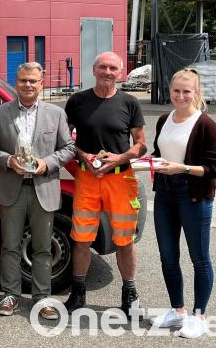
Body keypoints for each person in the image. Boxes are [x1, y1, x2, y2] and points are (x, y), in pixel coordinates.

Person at [0, 62, 75, 319]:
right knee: (10, 245)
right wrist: (6, 160)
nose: (28, 85)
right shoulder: (0, 113)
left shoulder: (56, 114)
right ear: (16, 82)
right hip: (11, 187)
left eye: (33, 81)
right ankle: (10, 294)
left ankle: (42, 297)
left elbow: (68, 148)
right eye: (23, 80)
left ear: (41, 84)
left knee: (43, 247)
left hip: (42, 187)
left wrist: (47, 163)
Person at [63, 51, 146, 316]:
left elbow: (141, 144)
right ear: (94, 69)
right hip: (88, 177)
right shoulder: (77, 101)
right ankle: (78, 293)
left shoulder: (130, 103)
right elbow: (65, 139)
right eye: (103, 67)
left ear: (120, 73)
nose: (107, 72)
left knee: (125, 240)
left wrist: (119, 158)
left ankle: (130, 294)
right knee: (82, 238)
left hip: (121, 178)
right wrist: (82, 155)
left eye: (113, 68)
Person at [150, 68, 216, 338]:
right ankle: (177, 311)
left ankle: (199, 315)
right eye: (176, 91)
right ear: (169, 91)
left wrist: (182, 168)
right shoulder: (163, 119)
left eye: (186, 91)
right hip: (165, 194)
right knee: (168, 257)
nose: (180, 96)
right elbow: (161, 152)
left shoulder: (206, 125)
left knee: (199, 259)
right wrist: (152, 162)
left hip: (193, 196)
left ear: (196, 93)